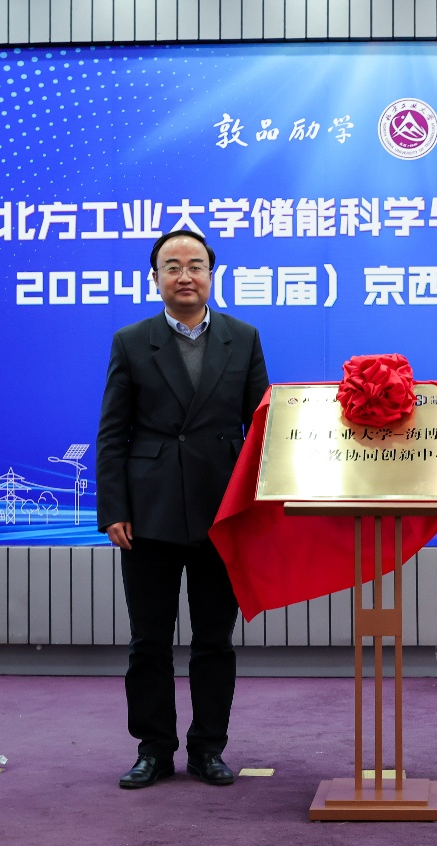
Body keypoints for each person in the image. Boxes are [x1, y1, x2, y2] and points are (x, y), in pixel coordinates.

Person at [97, 229, 269, 789]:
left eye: (195, 265)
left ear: (211, 275)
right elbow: (113, 432)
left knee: (214, 640)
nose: (185, 275)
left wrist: (256, 506)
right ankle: (153, 749)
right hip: (149, 512)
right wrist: (114, 508)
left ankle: (208, 749)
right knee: (149, 640)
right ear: (156, 279)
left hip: (221, 511)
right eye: (172, 266)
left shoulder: (243, 338)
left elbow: (261, 430)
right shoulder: (132, 341)